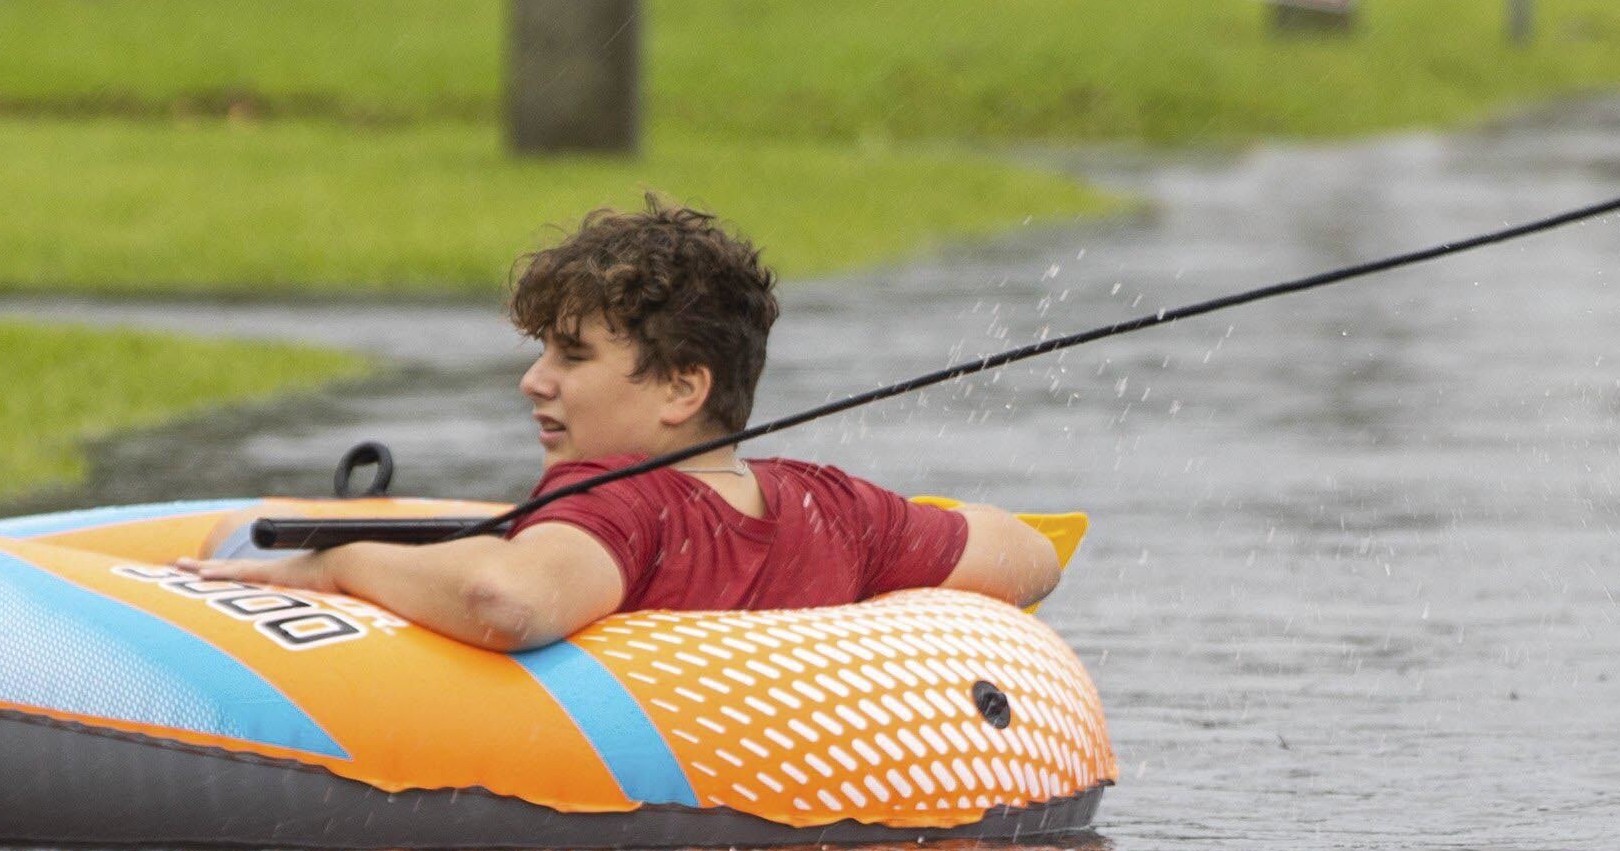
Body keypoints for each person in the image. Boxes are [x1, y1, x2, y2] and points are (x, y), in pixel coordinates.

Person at [186, 199, 1064, 651]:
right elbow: (1030, 555)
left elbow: (506, 600)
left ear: (682, 387)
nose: (535, 381)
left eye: (571, 356)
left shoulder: (618, 505)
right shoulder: (833, 507)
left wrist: (335, 564)